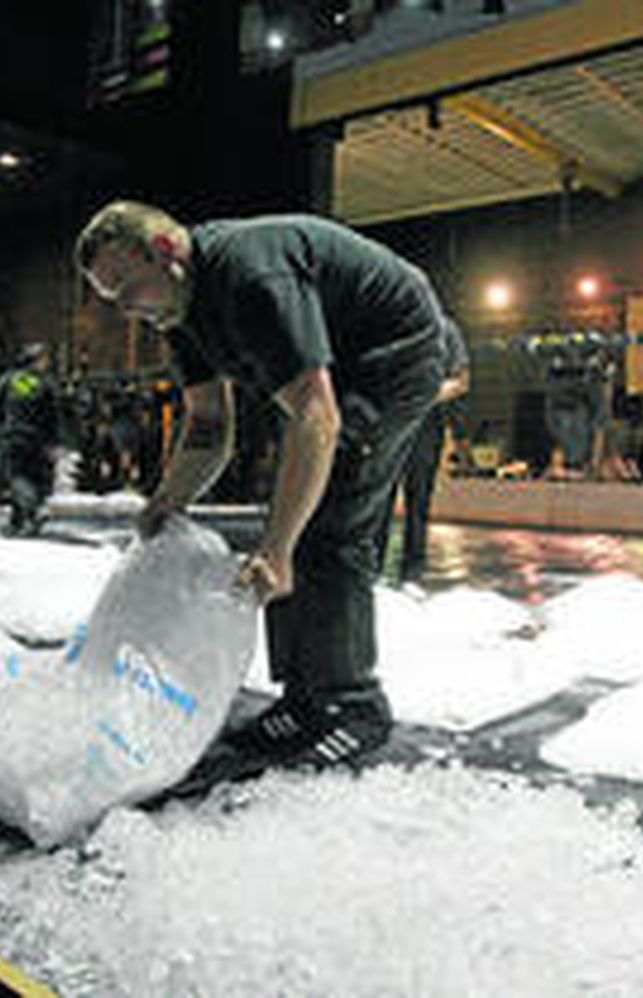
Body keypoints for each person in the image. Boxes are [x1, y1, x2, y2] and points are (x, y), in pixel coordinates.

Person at [74, 201, 457, 769]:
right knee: (288, 517)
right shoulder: (177, 314)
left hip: (393, 351)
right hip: (332, 366)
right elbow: (207, 425)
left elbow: (317, 417)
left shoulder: (250, 276)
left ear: (166, 253)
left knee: (330, 526)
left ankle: (355, 706)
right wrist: (166, 502)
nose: (128, 310)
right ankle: (304, 701)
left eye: (128, 289)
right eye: (114, 300)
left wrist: (278, 549)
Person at [373, 317, 468, 590]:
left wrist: (422, 395)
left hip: (425, 423)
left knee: (418, 499)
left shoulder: (444, 328)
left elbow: (460, 380)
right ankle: (373, 571)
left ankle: (412, 573)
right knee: (380, 498)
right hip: (389, 420)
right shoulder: (387, 326)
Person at [0, 342, 61, 536]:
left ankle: (30, 512)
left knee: (16, 477)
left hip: (12, 436)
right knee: (32, 477)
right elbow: (53, 414)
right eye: (44, 360)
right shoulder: (46, 383)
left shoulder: (8, 380)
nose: (46, 363)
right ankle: (20, 520)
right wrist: (53, 442)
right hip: (37, 439)